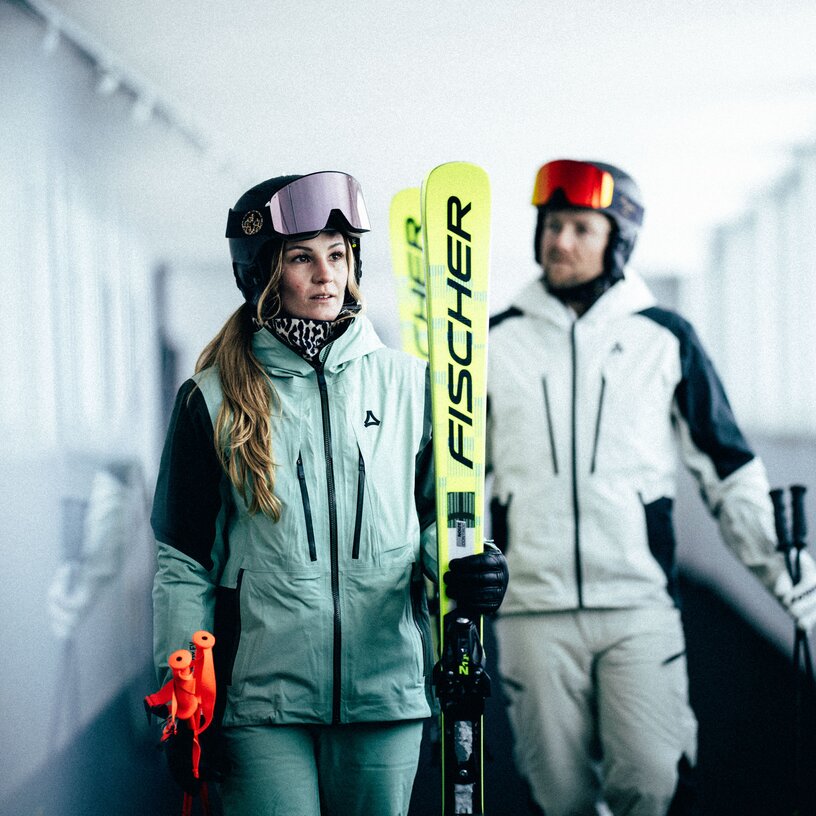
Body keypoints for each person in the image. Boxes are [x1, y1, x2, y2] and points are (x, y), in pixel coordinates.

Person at [150, 171, 508, 816]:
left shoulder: (413, 385)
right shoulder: (211, 398)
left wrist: (468, 566)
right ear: (262, 274)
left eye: (338, 255)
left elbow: (435, 519)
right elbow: (185, 563)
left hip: (384, 688)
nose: (325, 275)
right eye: (301, 257)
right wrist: (183, 701)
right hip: (260, 696)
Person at [486, 158, 816, 816]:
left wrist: (796, 584)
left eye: (581, 227)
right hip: (530, 610)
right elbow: (449, 480)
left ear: (618, 240)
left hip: (637, 607)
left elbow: (729, 472)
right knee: (559, 796)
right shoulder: (493, 343)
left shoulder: (665, 339)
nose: (560, 241)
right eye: (552, 225)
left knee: (652, 784)